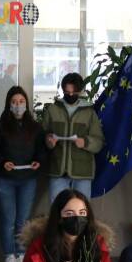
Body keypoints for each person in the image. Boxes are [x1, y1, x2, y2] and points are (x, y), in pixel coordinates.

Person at [0, 86, 46, 262]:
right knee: (8, 220)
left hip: (28, 179)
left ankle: (21, 253)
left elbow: (42, 150)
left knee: (23, 220)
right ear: (8, 105)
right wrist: (2, 162)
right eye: (14, 102)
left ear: (27, 104)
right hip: (5, 180)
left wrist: (39, 161)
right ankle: (9, 255)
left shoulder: (35, 127)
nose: (18, 105)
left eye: (21, 102)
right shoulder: (0, 126)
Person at [42, 72, 105, 201]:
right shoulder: (53, 110)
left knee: (82, 210)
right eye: (67, 92)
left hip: (82, 171)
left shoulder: (89, 112)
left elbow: (99, 141)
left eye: (73, 92)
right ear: (63, 90)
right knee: (57, 208)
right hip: (57, 169)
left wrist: (86, 142)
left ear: (80, 91)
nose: (70, 95)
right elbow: (42, 136)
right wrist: (49, 141)